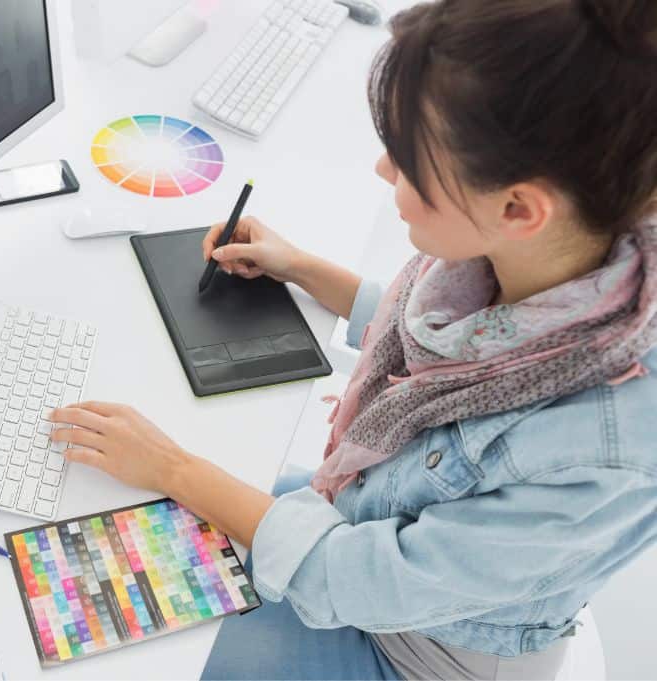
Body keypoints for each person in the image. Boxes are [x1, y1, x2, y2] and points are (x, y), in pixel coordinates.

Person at [45, 1, 657, 679]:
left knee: (118, 649)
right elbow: (453, 346)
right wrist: (300, 266)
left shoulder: (603, 452)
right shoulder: (563, 251)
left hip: (414, 646)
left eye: (408, 160)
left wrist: (173, 467)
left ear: (517, 208)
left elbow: (351, 577)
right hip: (359, 516)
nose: (382, 170)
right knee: (119, 526)